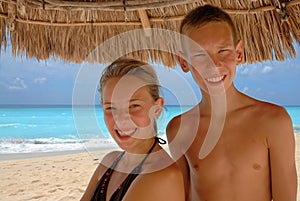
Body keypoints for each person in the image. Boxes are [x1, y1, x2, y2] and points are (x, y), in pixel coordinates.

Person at [167, 4, 297, 201]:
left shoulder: (274, 122)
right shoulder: (179, 129)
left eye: (223, 51)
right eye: (200, 55)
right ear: (184, 62)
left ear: (238, 53)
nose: (214, 65)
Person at [81, 57, 185, 201]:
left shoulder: (162, 174)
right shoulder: (109, 162)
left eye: (134, 106)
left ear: (157, 108)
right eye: (111, 108)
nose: (121, 119)